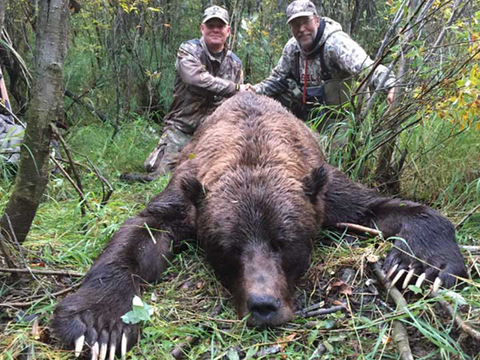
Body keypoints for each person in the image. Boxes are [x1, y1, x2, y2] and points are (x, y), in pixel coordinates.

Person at [252, 0, 396, 130]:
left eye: (305, 21)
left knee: (328, 157)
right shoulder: (292, 48)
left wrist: (390, 85)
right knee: (274, 97)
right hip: (303, 116)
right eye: (296, 25)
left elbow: (367, 67)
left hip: (335, 121)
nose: (301, 29)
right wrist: (252, 90)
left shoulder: (335, 44)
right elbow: (277, 79)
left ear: (317, 20)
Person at [144, 5, 247, 174]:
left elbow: (237, 102)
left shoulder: (235, 63)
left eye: (220, 26)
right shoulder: (189, 50)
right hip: (183, 127)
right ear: (202, 28)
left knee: (226, 169)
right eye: (210, 26)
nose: (215, 30)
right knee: (156, 169)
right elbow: (194, 79)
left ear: (228, 31)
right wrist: (235, 88)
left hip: (216, 131)